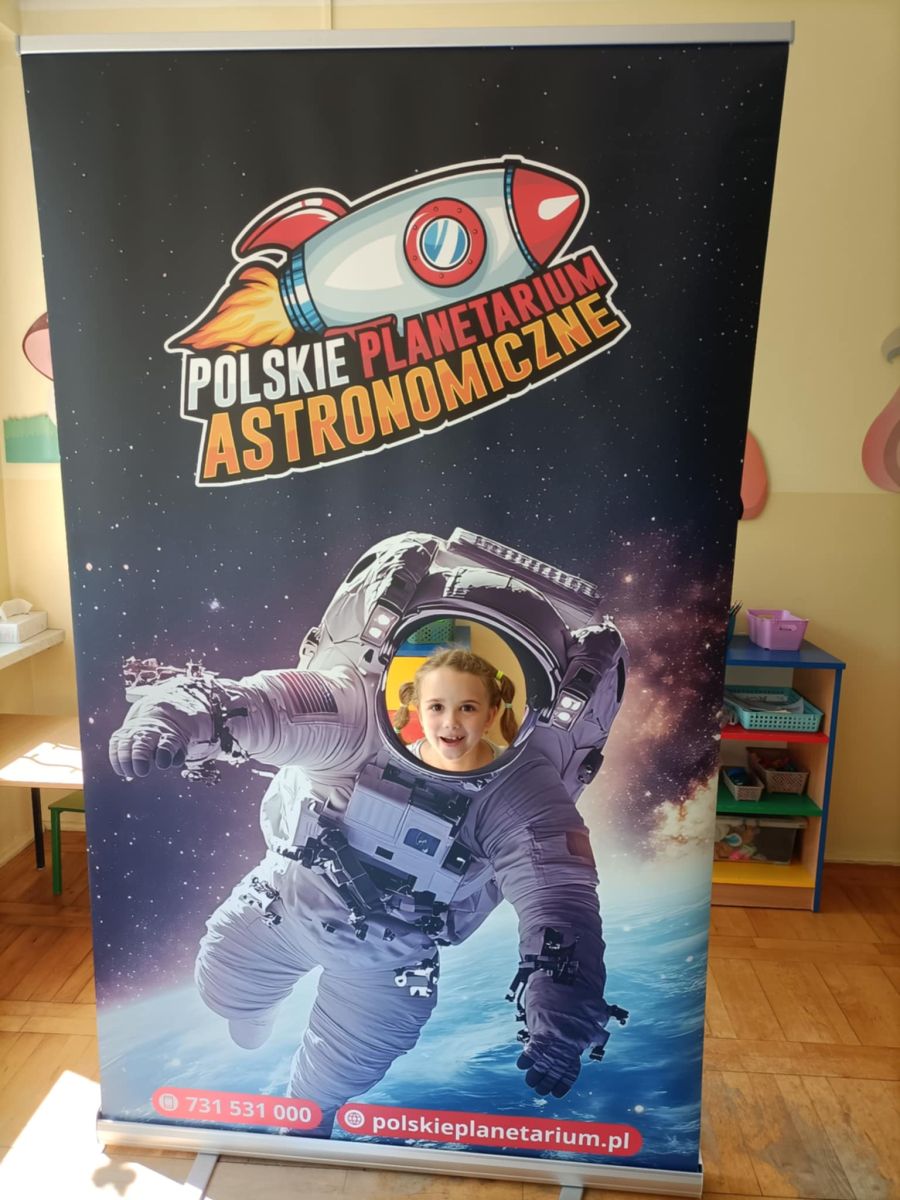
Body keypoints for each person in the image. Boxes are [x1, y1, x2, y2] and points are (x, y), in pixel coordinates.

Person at [108, 529, 629, 1136]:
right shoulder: (349, 713)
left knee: (329, 1086)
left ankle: (305, 1130)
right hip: (283, 906)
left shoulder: (518, 788)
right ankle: (252, 1023)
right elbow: (239, 704)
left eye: (472, 707)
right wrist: (165, 721)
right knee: (224, 991)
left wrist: (561, 1011)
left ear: (504, 710)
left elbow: (561, 904)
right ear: (408, 692)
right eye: (437, 703)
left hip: (391, 963)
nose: (451, 725)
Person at [394, 647, 518, 772]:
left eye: (467, 708)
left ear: (488, 717)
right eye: (437, 707)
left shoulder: (512, 768)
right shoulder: (398, 767)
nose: (451, 722)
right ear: (421, 715)